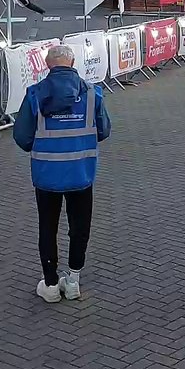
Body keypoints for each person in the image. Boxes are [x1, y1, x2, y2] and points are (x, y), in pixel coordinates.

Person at [13, 44, 111, 303]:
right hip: (81, 173)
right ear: (73, 62)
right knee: (80, 228)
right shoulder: (92, 93)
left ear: (47, 65)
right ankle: (74, 280)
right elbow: (104, 131)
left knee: (47, 227)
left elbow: (22, 138)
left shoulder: (35, 94)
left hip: (47, 175)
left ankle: (51, 284)